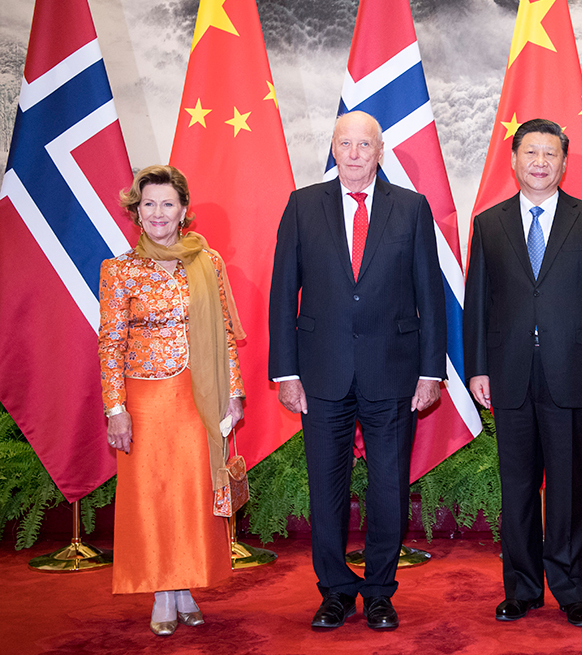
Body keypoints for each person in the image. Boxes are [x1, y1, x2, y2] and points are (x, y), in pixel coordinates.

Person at [269, 111, 446, 631]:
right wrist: (285, 373)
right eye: (344, 143)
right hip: (320, 374)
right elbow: (283, 292)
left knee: (389, 487)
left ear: (379, 152)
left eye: (364, 145)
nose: (353, 153)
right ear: (333, 148)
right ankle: (335, 591)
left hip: (394, 373)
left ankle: (379, 592)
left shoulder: (411, 207)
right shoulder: (302, 205)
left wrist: (430, 372)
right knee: (327, 488)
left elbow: (430, 295)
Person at [463, 118, 582, 627]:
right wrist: (477, 368)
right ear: (513, 160)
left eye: (549, 153)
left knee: (569, 488)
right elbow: (478, 303)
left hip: (573, 371)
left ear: (563, 162)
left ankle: (573, 589)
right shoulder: (489, 224)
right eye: (530, 152)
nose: (540, 162)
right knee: (516, 488)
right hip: (509, 373)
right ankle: (522, 589)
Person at [99, 165, 245, 636]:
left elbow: (224, 332)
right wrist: (115, 408)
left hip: (198, 396)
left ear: (183, 210)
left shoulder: (208, 262)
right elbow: (110, 344)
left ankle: (185, 588)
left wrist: (234, 393)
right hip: (144, 400)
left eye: (167, 203)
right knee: (151, 496)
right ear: (136, 211)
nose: (158, 213)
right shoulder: (119, 269)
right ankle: (162, 592)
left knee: (190, 494)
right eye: (149, 204)